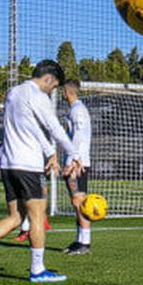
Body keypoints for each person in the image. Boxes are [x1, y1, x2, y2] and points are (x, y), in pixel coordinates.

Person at [0, 60, 79, 283]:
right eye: (53, 86)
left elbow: (29, 127)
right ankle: (37, 270)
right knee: (37, 216)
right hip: (27, 164)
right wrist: (74, 153)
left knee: (16, 216)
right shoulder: (38, 96)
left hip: (8, 164)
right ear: (47, 79)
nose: (52, 91)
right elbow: (53, 127)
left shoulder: (14, 92)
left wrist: (49, 152)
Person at [59, 78, 94, 254]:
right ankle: (79, 239)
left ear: (66, 92)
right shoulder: (74, 109)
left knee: (79, 201)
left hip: (78, 163)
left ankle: (85, 243)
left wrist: (73, 161)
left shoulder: (78, 110)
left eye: (62, 91)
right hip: (75, 160)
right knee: (76, 202)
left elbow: (79, 136)